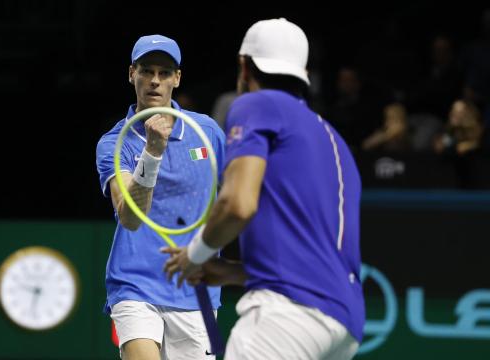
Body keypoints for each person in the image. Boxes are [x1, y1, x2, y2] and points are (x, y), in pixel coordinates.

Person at [164, 19, 364, 359]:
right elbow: (313, 259)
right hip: (344, 324)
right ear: (302, 73)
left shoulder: (256, 105)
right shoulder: (334, 140)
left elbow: (238, 204)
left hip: (285, 317)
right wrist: (228, 272)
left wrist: (194, 254)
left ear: (244, 66)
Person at [95, 35, 225, 360]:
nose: (155, 80)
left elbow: (242, 192)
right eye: (146, 71)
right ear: (131, 74)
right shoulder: (114, 143)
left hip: (197, 288)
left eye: (165, 72)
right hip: (135, 283)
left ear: (177, 78)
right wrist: (152, 153)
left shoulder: (206, 132)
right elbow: (129, 217)